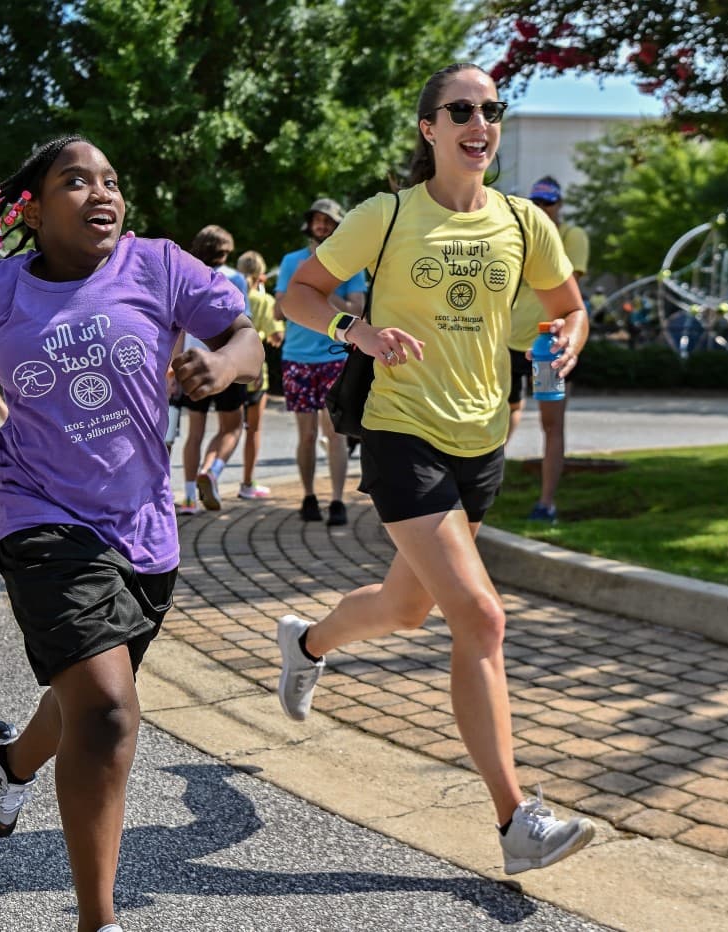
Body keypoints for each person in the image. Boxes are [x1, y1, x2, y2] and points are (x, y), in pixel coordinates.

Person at [0, 135, 261, 932]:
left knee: (87, 699)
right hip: (39, 515)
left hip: (144, 530)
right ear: (33, 208)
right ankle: (99, 920)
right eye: (76, 181)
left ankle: (11, 762)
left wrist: (226, 367)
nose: (102, 194)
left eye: (111, 181)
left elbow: (243, 334)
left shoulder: (158, 265)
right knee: (107, 709)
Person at [273, 62, 596, 877]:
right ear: (429, 128)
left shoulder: (524, 223)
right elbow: (299, 296)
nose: (479, 123)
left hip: (481, 439)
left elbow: (568, 305)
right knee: (481, 618)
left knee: (407, 606)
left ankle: (307, 645)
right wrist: (358, 329)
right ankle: (516, 820)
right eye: (461, 110)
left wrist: (571, 335)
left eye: (491, 110)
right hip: (400, 431)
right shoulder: (385, 217)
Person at [274, 198, 366, 526]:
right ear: (309, 224)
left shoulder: (351, 263)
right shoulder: (291, 261)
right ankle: (309, 496)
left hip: (334, 355)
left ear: (338, 225)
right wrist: (306, 280)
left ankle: (338, 501)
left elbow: (357, 311)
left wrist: (321, 285)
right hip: (297, 356)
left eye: (328, 221)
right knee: (307, 435)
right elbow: (280, 308)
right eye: (317, 220)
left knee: (335, 433)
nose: (322, 226)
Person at [506, 176, 589, 523]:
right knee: (496, 419)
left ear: (560, 205)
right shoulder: (518, 236)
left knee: (551, 424)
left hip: (549, 346)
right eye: (537, 202)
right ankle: (484, 487)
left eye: (549, 203)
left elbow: (571, 295)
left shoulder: (571, 237)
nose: (542, 209)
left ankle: (546, 503)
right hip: (507, 343)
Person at [176, 225, 248, 514]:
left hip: (193, 362)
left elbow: (178, 325)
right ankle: (213, 470)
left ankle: (190, 497)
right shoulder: (235, 278)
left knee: (195, 433)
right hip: (225, 363)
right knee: (232, 427)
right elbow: (245, 326)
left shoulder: (187, 276)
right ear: (226, 249)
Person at [235, 250, 284, 499]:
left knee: (227, 428)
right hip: (255, 373)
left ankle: (206, 472)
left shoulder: (231, 294)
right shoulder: (265, 302)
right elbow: (276, 337)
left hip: (230, 371)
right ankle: (247, 483)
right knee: (252, 429)